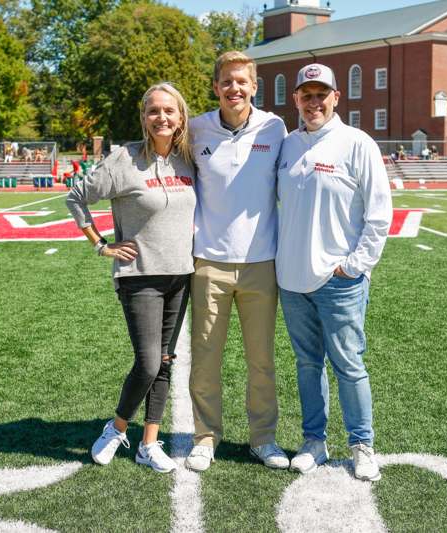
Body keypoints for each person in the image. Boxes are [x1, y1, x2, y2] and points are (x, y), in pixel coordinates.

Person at [66, 82, 196, 473]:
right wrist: (101, 245)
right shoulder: (124, 161)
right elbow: (75, 196)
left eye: (169, 111)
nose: (162, 117)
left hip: (181, 274)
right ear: (144, 117)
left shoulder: (187, 160)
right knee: (147, 362)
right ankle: (118, 427)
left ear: (180, 117)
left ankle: (149, 444)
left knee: (166, 361)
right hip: (140, 276)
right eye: (154, 111)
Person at [275, 63, 392, 482]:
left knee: (349, 365)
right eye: (306, 94)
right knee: (308, 365)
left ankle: (362, 444)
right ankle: (314, 441)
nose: (313, 102)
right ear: (296, 100)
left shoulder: (356, 143)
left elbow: (380, 215)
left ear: (336, 98)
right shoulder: (287, 146)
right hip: (291, 280)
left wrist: (354, 266)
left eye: (321, 94)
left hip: (338, 281)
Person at [184, 50, 288, 472]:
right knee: (205, 358)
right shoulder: (195, 129)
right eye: (227, 81)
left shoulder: (275, 127)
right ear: (215, 87)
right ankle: (205, 437)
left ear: (254, 86)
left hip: (262, 262)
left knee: (261, 360)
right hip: (209, 261)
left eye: (242, 81)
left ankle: (263, 438)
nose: (234, 88)